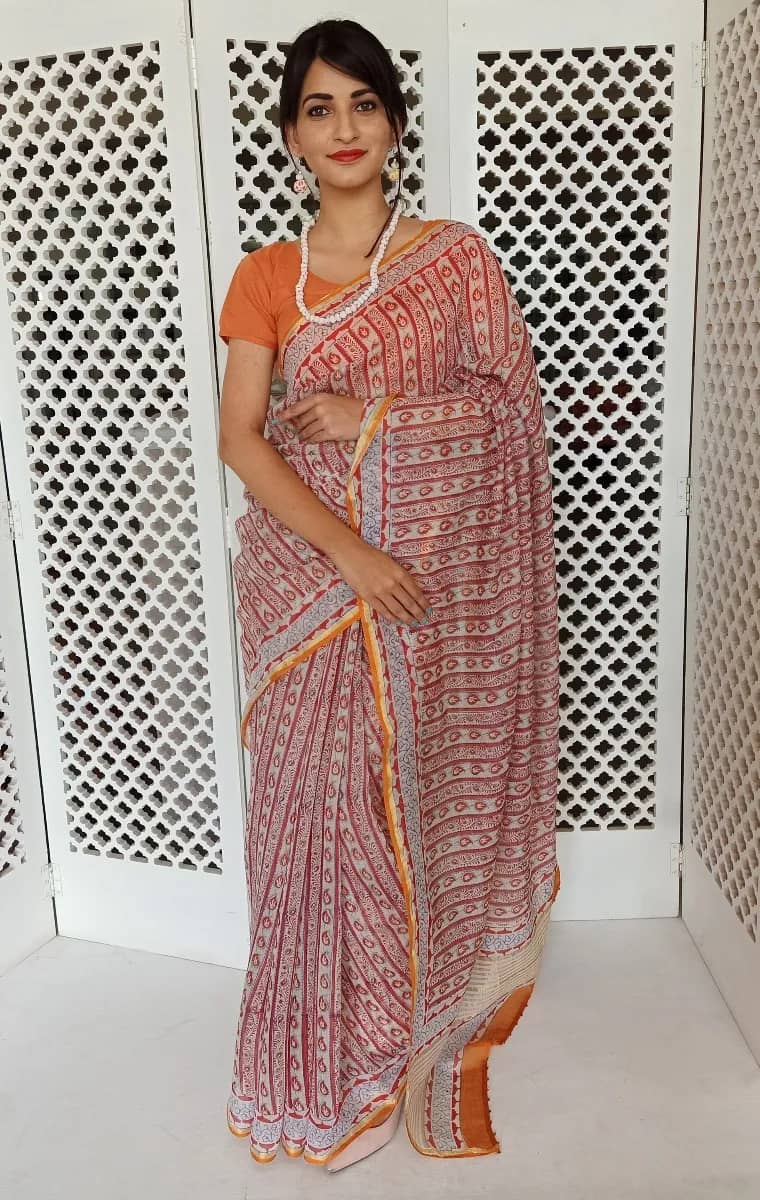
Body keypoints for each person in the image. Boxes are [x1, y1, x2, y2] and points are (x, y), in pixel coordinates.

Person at [217, 16, 561, 1174]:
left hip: (429, 595)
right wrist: (350, 555)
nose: (343, 127)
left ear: (395, 122)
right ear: (290, 136)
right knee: (310, 821)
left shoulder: (454, 262)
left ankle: (389, 1048)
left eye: (363, 103)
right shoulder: (265, 277)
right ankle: (321, 1067)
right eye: (319, 109)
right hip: (305, 587)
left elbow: (511, 418)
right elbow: (243, 438)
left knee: (391, 808)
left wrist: (378, 420)